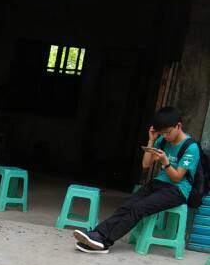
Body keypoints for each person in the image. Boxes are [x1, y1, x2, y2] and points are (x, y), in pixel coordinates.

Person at [73, 106, 200, 254]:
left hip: (177, 190)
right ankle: (97, 234)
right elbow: (146, 165)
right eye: (162, 133)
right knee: (127, 205)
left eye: (168, 132)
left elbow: (177, 177)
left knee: (139, 208)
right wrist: (151, 140)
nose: (165, 136)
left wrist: (165, 162)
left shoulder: (191, 147)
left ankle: (105, 242)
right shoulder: (162, 140)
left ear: (179, 126)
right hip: (159, 183)